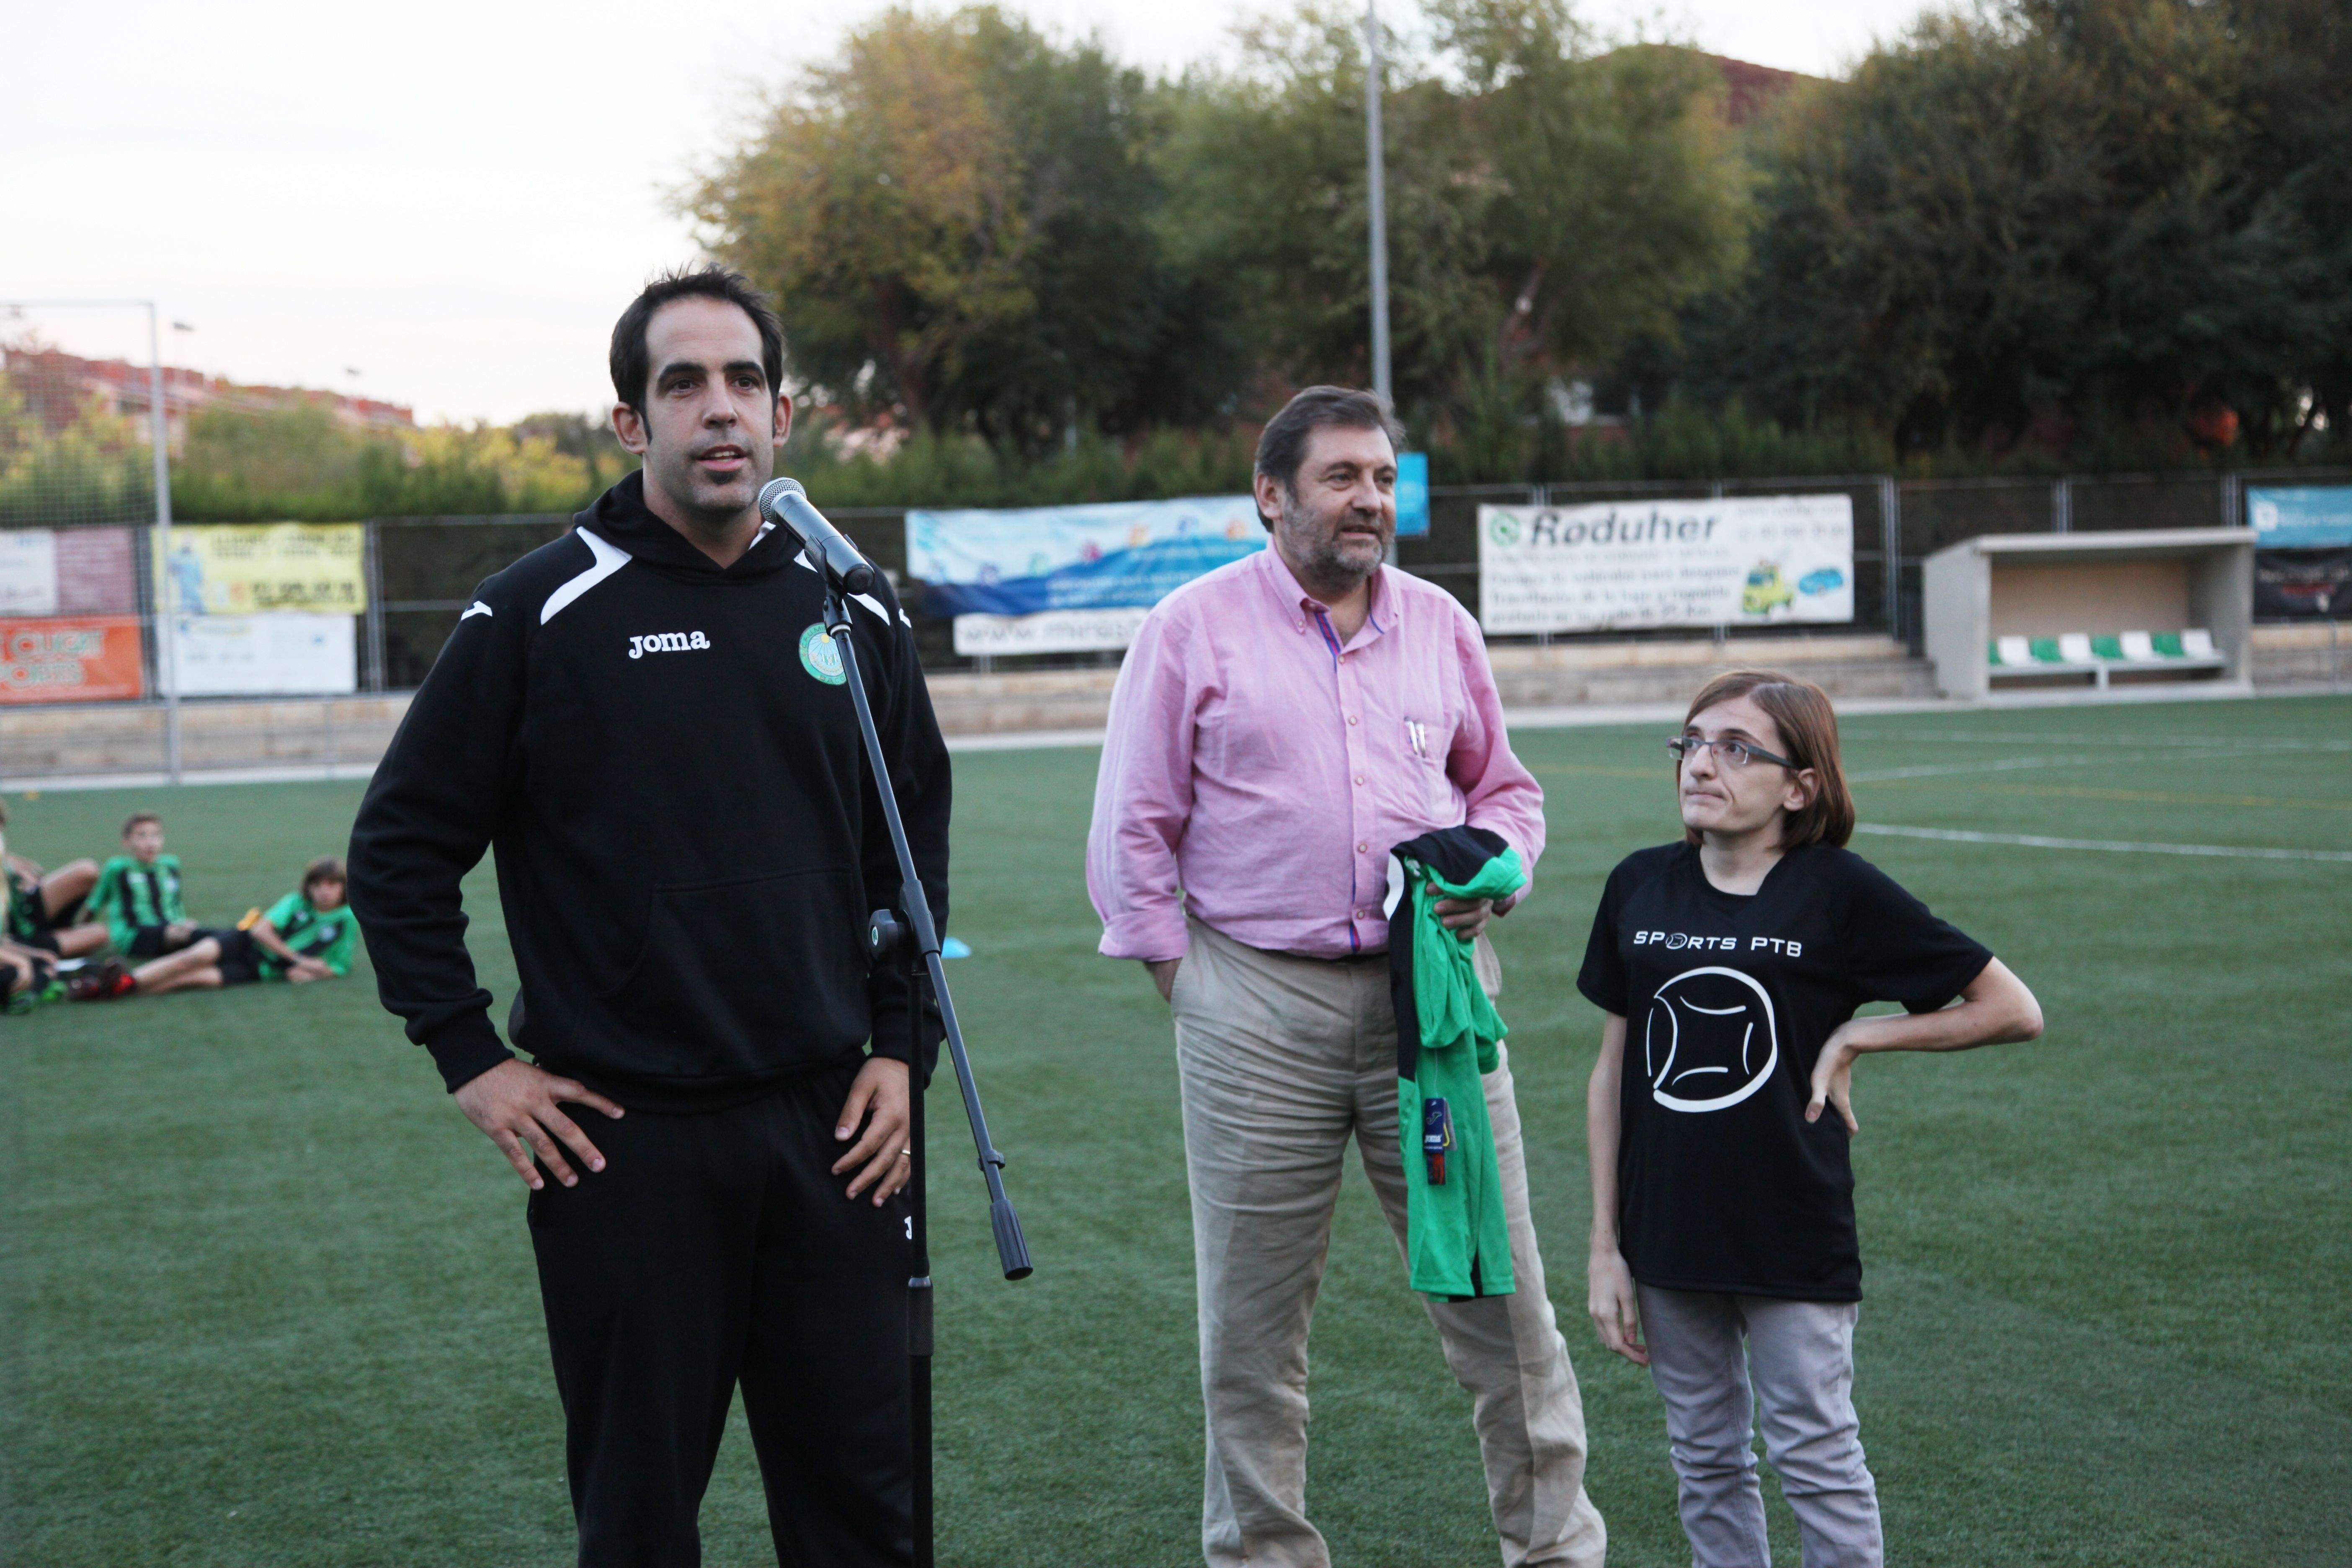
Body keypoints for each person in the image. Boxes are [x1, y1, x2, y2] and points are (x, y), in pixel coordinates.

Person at [347, 265, 949, 1568]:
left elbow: (912, 849)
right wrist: (475, 1062)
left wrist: (902, 1051)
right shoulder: (537, 612)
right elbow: (397, 850)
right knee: (637, 1521)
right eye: (684, 384)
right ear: (633, 423)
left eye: (744, 383)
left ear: (784, 414)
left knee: (868, 1516)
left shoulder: (851, 607)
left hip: (840, 1132)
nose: (719, 411)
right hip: (623, 1144)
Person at [1088, 385, 1607, 1568]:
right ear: (1270, 496)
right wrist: (1196, 986)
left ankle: (1557, 1552)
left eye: (1381, 477)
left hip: (1437, 1005)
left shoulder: (1439, 625)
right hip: (1255, 1004)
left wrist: (1503, 873)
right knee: (1255, 1328)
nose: (1369, 498)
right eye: (1341, 477)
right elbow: (1133, 828)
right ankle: (1266, 1555)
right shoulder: (1193, 627)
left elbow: (1506, 793)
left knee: (1503, 1305)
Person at [1578, 670, 2043, 1568]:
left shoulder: (1838, 891)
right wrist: (1606, 1242)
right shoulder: (1639, 885)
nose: (1702, 764)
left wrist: (1866, 1035)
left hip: (1790, 1223)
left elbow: (2011, 1007)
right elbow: (1613, 1073)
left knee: (1816, 1458)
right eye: (1693, 741)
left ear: (1800, 786)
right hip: (1666, 1229)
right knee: (1706, 1459)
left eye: (1736, 748)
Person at [116, 855, 357, 997]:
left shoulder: (346, 919)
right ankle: (124, 981)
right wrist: (298, 960)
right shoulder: (296, 902)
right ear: (309, 887)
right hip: (243, 942)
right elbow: (260, 931)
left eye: (332, 885)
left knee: (195, 979)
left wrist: (314, 975)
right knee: (192, 958)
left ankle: (125, 990)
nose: (324, 891)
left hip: (263, 969)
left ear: (343, 888)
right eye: (318, 885)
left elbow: (340, 965)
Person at [0, 801, 108, 959]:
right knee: (101, 933)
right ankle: (37, 950)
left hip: (23, 907)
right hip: (13, 934)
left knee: (87, 870)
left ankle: (61, 932)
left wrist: (12, 864)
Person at [87, 812, 201, 959]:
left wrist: (183, 923)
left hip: (171, 930)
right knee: (187, 936)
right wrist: (79, 935)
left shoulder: (171, 865)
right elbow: (94, 905)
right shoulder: (117, 868)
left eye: (156, 835)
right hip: (133, 936)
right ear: (127, 842)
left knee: (194, 931)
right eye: (142, 836)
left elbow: (175, 904)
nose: (150, 842)